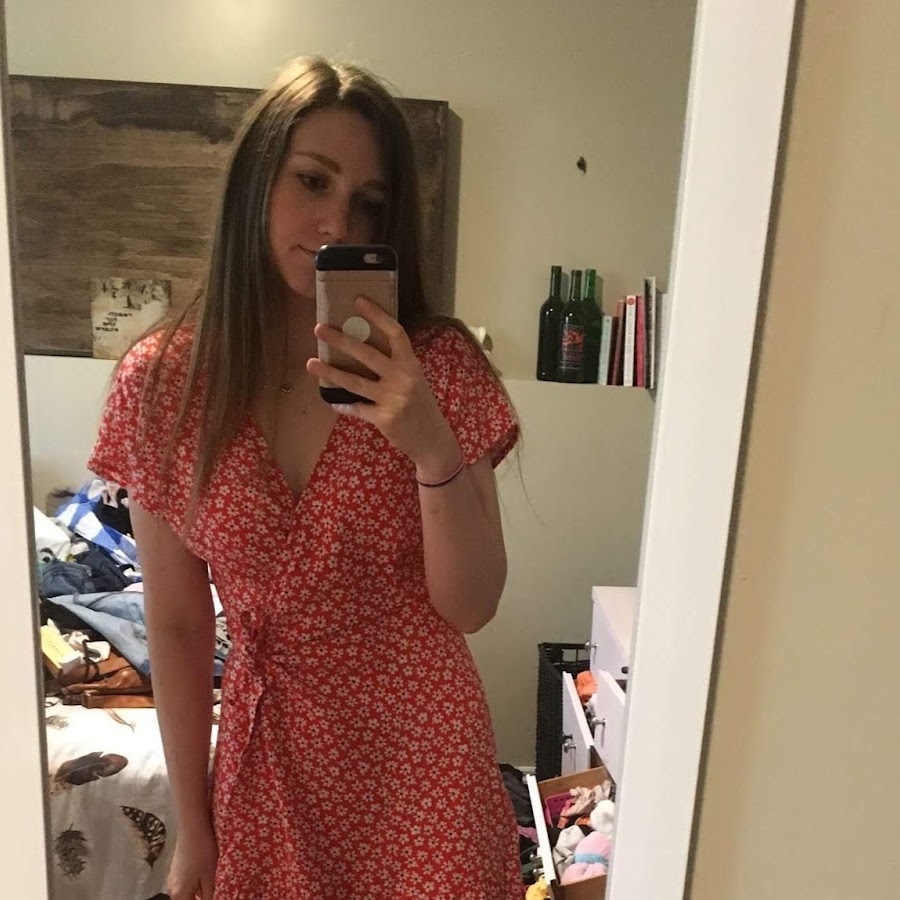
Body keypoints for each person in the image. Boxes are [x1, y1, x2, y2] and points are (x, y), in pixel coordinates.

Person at [88, 56, 522, 899]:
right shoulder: (166, 387)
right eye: (312, 181)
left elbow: (471, 606)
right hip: (270, 768)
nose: (336, 221)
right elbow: (175, 624)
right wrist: (193, 830)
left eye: (368, 203)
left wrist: (430, 446)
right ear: (256, 182)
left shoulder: (436, 366)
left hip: (425, 767)